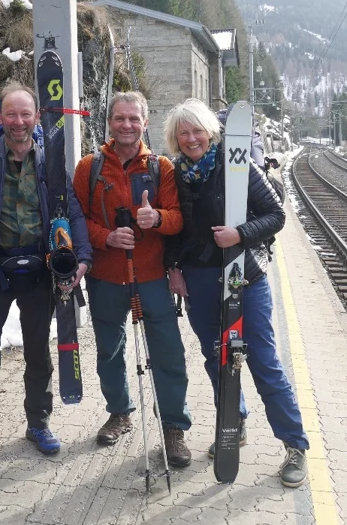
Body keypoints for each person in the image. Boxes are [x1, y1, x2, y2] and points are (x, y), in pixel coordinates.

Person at [163, 98, 309, 488]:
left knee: (263, 362)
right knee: (216, 358)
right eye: (184, 132)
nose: (192, 138)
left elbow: (276, 214)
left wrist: (240, 234)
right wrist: (174, 268)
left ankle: (295, 446)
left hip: (244, 275)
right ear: (176, 138)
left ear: (211, 132)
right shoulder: (176, 173)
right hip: (199, 280)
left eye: (198, 130)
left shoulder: (236, 163)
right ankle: (233, 422)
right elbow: (176, 230)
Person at [0, 81, 92, 484]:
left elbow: (73, 212)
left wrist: (82, 257)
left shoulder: (51, 163)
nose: (18, 122)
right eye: (11, 114)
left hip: (38, 273)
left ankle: (38, 422)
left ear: (36, 118)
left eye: (25, 114)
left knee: (38, 355)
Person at [72, 91, 192, 467]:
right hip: (107, 277)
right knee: (108, 351)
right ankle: (120, 412)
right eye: (120, 118)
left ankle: (174, 428)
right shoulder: (88, 167)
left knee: (168, 353)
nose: (126, 125)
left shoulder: (162, 168)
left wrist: (155, 218)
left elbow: (178, 218)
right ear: (109, 122)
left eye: (133, 119)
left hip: (153, 276)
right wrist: (104, 237)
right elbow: (77, 222)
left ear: (145, 123)